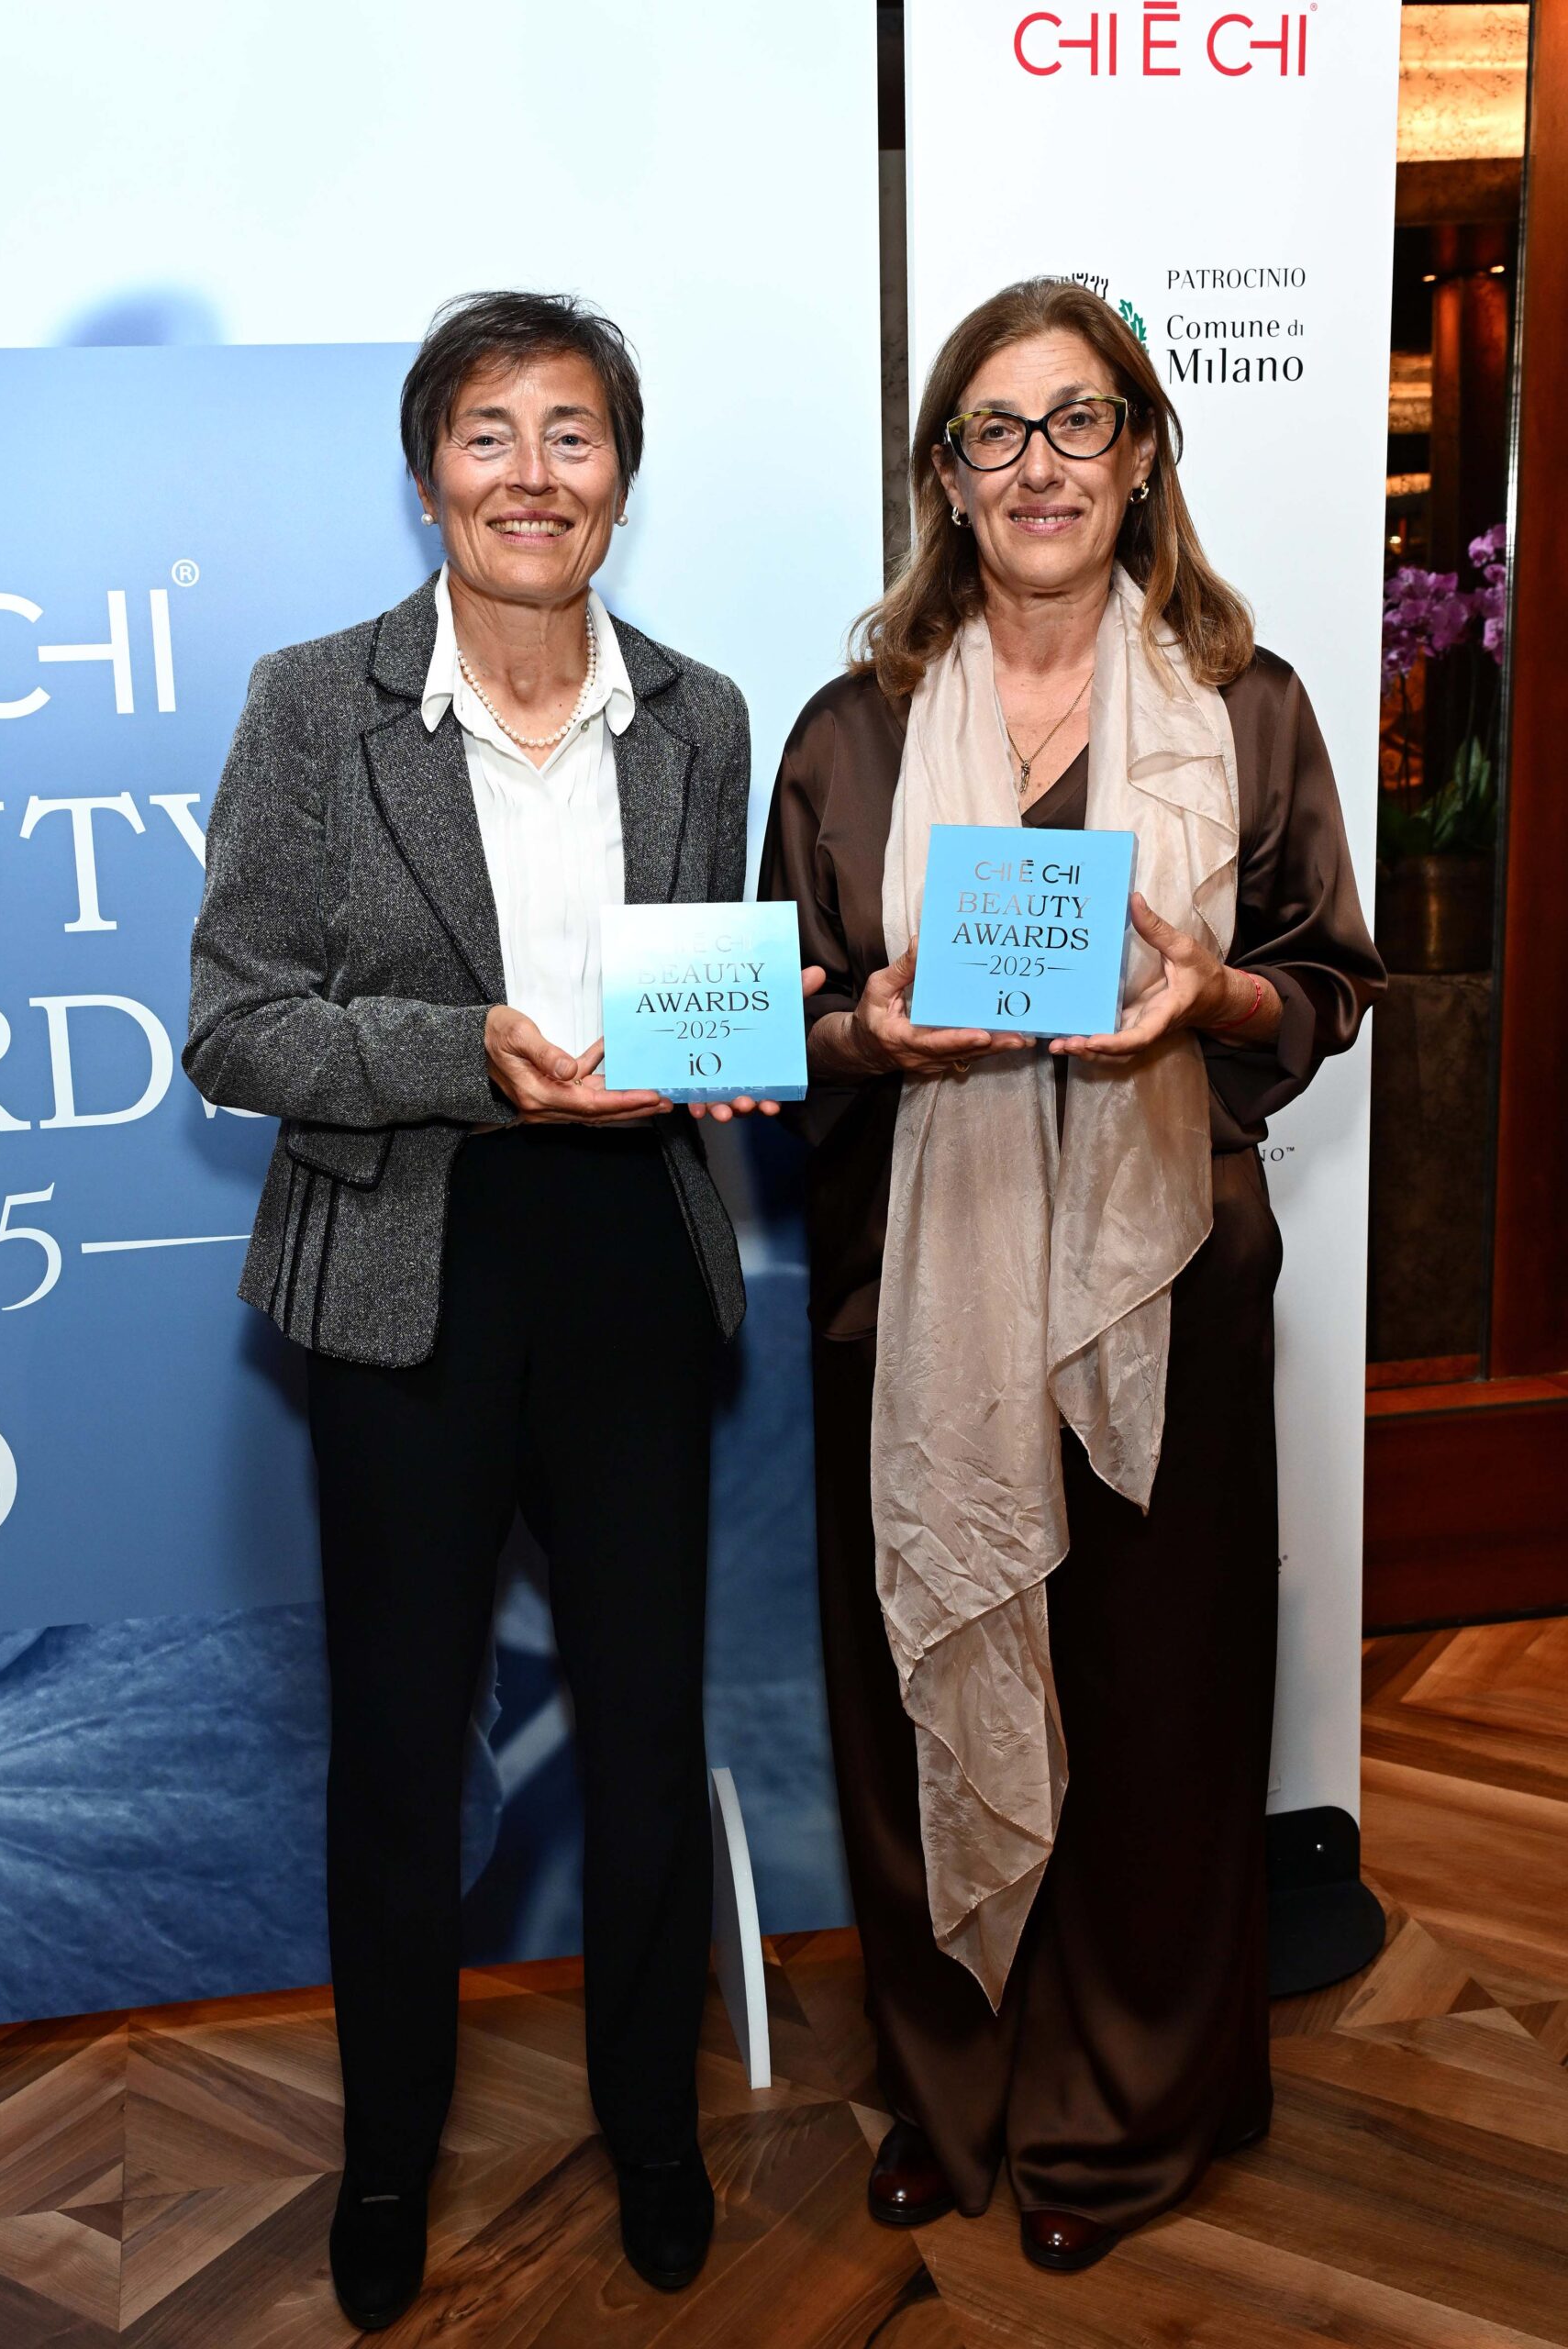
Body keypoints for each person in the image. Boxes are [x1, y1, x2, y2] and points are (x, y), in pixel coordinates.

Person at [760, 276, 1385, 2274]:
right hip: (911, 1296)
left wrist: (1216, 996)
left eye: (1078, 419)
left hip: (1161, 1291)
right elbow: (784, 1011)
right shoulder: (851, 733)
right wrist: (869, 1032)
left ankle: (1121, 2112)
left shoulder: (1247, 706)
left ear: (1140, 456)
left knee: (1155, 1707)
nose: (1038, 465)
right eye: (995, 429)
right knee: (927, 1681)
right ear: (946, 476)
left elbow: (1328, 981)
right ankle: (953, 2091)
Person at [184, 291, 770, 2331]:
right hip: (406, 1272)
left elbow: (704, 986)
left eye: (574, 433)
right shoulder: (311, 704)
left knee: (646, 1734)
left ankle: (655, 2130)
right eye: (491, 433)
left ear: (622, 474)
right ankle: (386, 2159)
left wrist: (736, 1046)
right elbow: (234, 1025)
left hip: (631, 1263)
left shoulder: (701, 714)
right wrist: (470, 1054)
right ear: (430, 472)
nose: (535, 473)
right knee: (399, 1749)